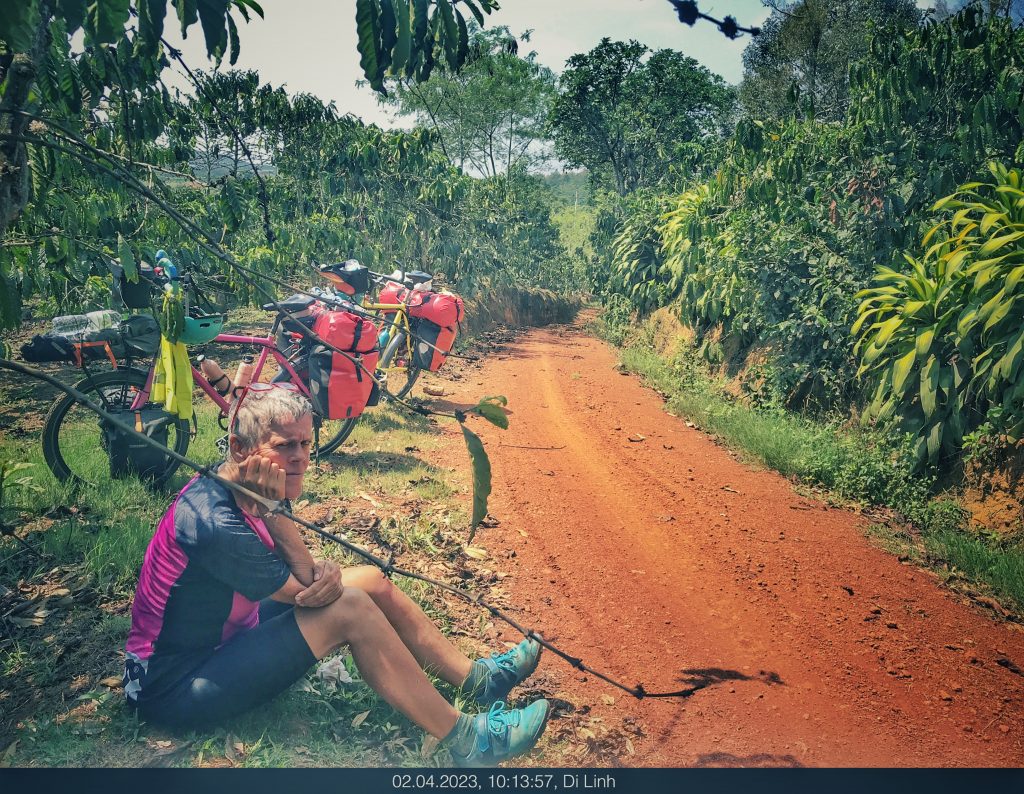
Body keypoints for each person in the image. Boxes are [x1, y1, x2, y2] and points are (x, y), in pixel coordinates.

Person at [122, 384, 548, 766]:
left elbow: (307, 577)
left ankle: (477, 680)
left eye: (306, 443)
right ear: (238, 448)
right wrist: (283, 523)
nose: (300, 457)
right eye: (285, 445)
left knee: (369, 581)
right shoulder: (213, 521)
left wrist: (310, 555)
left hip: (228, 634)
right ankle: (470, 740)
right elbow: (311, 590)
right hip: (172, 687)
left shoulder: (254, 484)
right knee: (350, 609)